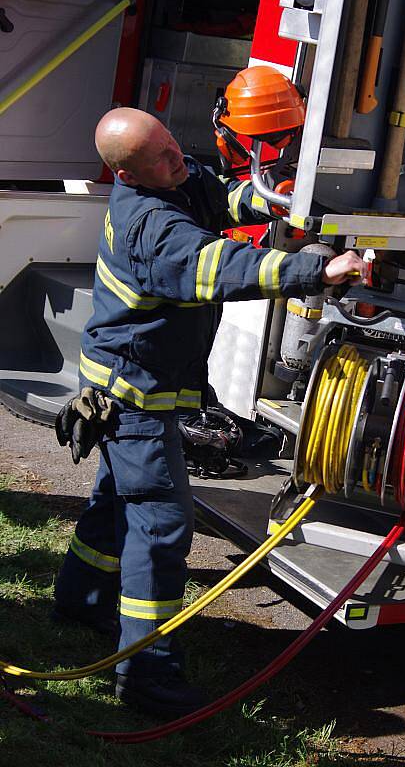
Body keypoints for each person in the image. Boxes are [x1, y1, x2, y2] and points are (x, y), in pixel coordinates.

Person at [53, 103, 366, 718]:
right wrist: (319, 269)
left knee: (117, 497)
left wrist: (275, 200)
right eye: (163, 158)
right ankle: (145, 673)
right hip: (135, 396)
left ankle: (83, 600)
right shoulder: (151, 225)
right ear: (129, 174)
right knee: (162, 525)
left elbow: (216, 193)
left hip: (123, 385)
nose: (179, 160)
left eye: (174, 146)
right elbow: (223, 268)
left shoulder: (165, 178)